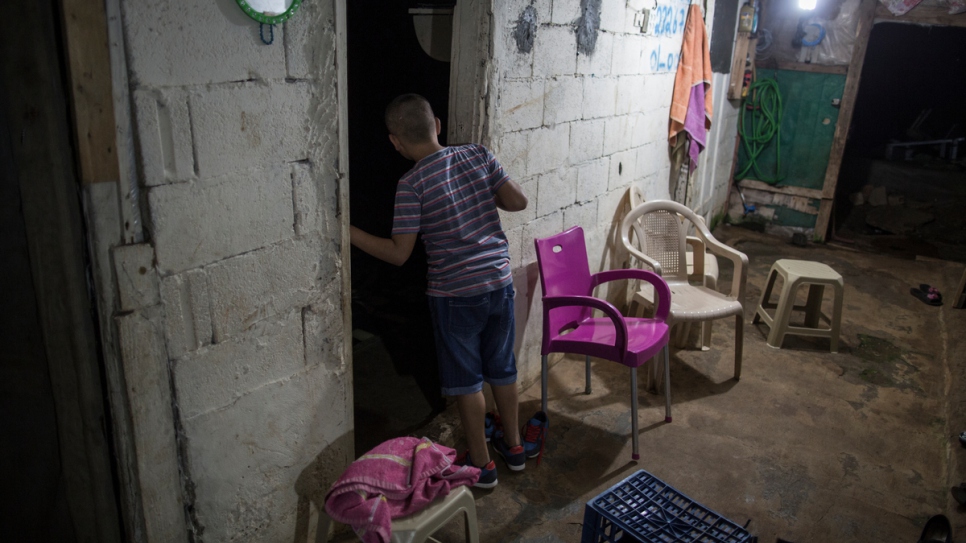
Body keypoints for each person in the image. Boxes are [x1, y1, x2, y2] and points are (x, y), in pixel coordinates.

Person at [349, 94, 529, 488]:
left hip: (454, 296)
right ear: (438, 125)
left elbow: (399, 254)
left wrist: (348, 232)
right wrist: (486, 188)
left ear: (395, 142)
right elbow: (518, 201)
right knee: (502, 368)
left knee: (467, 382)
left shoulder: (411, 184)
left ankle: (482, 466)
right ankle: (515, 448)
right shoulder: (478, 155)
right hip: (498, 282)